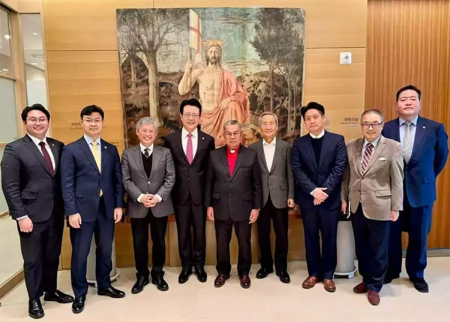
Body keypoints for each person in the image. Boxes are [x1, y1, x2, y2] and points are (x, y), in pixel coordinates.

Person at [1, 104, 73, 319]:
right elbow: (10, 187)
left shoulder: (58, 145)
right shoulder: (15, 149)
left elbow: (63, 180)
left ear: (48, 121)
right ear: (25, 122)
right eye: (33, 119)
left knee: (52, 255)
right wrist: (21, 216)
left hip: (56, 213)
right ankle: (34, 298)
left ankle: (50, 291)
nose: (38, 123)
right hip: (30, 215)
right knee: (33, 259)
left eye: (42, 119)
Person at [382, 85, 448, 292]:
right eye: (403, 99)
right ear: (396, 105)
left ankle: (417, 274)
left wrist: (425, 177)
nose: (408, 102)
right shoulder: (386, 128)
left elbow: (441, 158)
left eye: (412, 99)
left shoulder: (435, 128)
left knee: (419, 235)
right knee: (391, 234)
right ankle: (391, 271)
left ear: (420, 103)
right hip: (393, 191)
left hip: (421, 191)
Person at [61, 105, 125, 314]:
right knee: (80, 253)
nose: (93, 123)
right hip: (81, 210)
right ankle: (80, 293)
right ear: (82, 122)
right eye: (89, 120)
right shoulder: (71, 150)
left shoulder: (110, 149)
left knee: (105, 250)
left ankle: (104, 285)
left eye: (97, 120)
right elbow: (67, 183)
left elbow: (117, 181)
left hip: (106, 209)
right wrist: (71, 211)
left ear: (103, 123)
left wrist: (118, 205)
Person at [342, 109, 404, 305]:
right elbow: (346, 176)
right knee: (362, 247)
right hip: (357, 205)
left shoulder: (393, 147)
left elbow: (397, 180)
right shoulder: (351, 146)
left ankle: (375, 286)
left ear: (382, 125)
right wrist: (344, 199)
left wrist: (396, 206)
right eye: (366, 124)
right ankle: (366, 279)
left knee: (379, 248)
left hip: (381, 205)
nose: (370, 127)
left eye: (374, 123)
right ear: (361, 126)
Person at [291, 102, 347, 293]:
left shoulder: (337, 140)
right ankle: (314, 272)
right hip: (308, 199)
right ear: (305, 122)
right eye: (308, 118)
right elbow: (297, 169)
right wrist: (313, 191)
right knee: (310, 237)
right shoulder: (299, 143)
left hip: (330, 200)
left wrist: (324, 192)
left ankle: (328, 275)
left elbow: (339, 168)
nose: (312, 121)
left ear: (323, 117)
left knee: (330, 238)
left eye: (315, 117)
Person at [205, 120, 262, 289]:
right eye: (228, 133)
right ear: (223, 135)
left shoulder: (250, 155)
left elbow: (257, 184)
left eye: (235, 133)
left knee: (244, 242)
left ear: (240, 134)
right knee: (222, 243)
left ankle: (244, 273)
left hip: (244, 207)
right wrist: (209, 205)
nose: (232, 136)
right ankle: (223, 272)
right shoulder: (214, 155)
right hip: (220, 205)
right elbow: (209, 183)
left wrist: (256, 207)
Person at [164, 99, 215, 284]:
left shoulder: (208, 140)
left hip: (200, 195)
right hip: (180, 194)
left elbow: (210, 172)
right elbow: (168, 169)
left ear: (200, 117)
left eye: (195, 115)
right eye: (188, 115)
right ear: (181, 116)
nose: (191, 118)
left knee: (200, 232)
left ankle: (199, 266)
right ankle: (186, 266)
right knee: (183, 231)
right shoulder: (170, 140)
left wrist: (209, 199)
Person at [122, 117, 175, 293]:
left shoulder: (165, 153)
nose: (147, 134)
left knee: (159, 241)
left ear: (155, 133)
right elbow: (126, 179)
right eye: (143, 130)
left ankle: (158, 273)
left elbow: (170, 177)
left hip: (160, 206)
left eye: (151, 131)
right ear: (137, 133)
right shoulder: (128, 154)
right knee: (139, 243)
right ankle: (142, 275)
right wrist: (140, 197)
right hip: (138, 206)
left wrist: (158, 197)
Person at [249, 112, 295, 283]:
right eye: (264, 124)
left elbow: (290, 173)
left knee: (281, 234)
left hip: (280, 196)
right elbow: (252, 177)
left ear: (276, 126)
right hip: (261, 198)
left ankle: (281, 268)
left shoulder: (286, 147)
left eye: (271, 124)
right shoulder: (253, 148)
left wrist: (291, 195)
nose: (268, 127)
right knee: (263, 234)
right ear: (260, 127)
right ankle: (266, 265)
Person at [178, 41, 250, 146]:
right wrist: (187, 72)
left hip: (222, 114)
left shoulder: (227, 75)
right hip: (205, 116)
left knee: (233, 105)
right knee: (207, 148)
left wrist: (229, 99)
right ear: (207, 54)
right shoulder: (200, 72)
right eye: (211, 52)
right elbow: (182, 90)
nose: (213, 55)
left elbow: (241, 94)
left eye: (216, 52)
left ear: (220, 55)